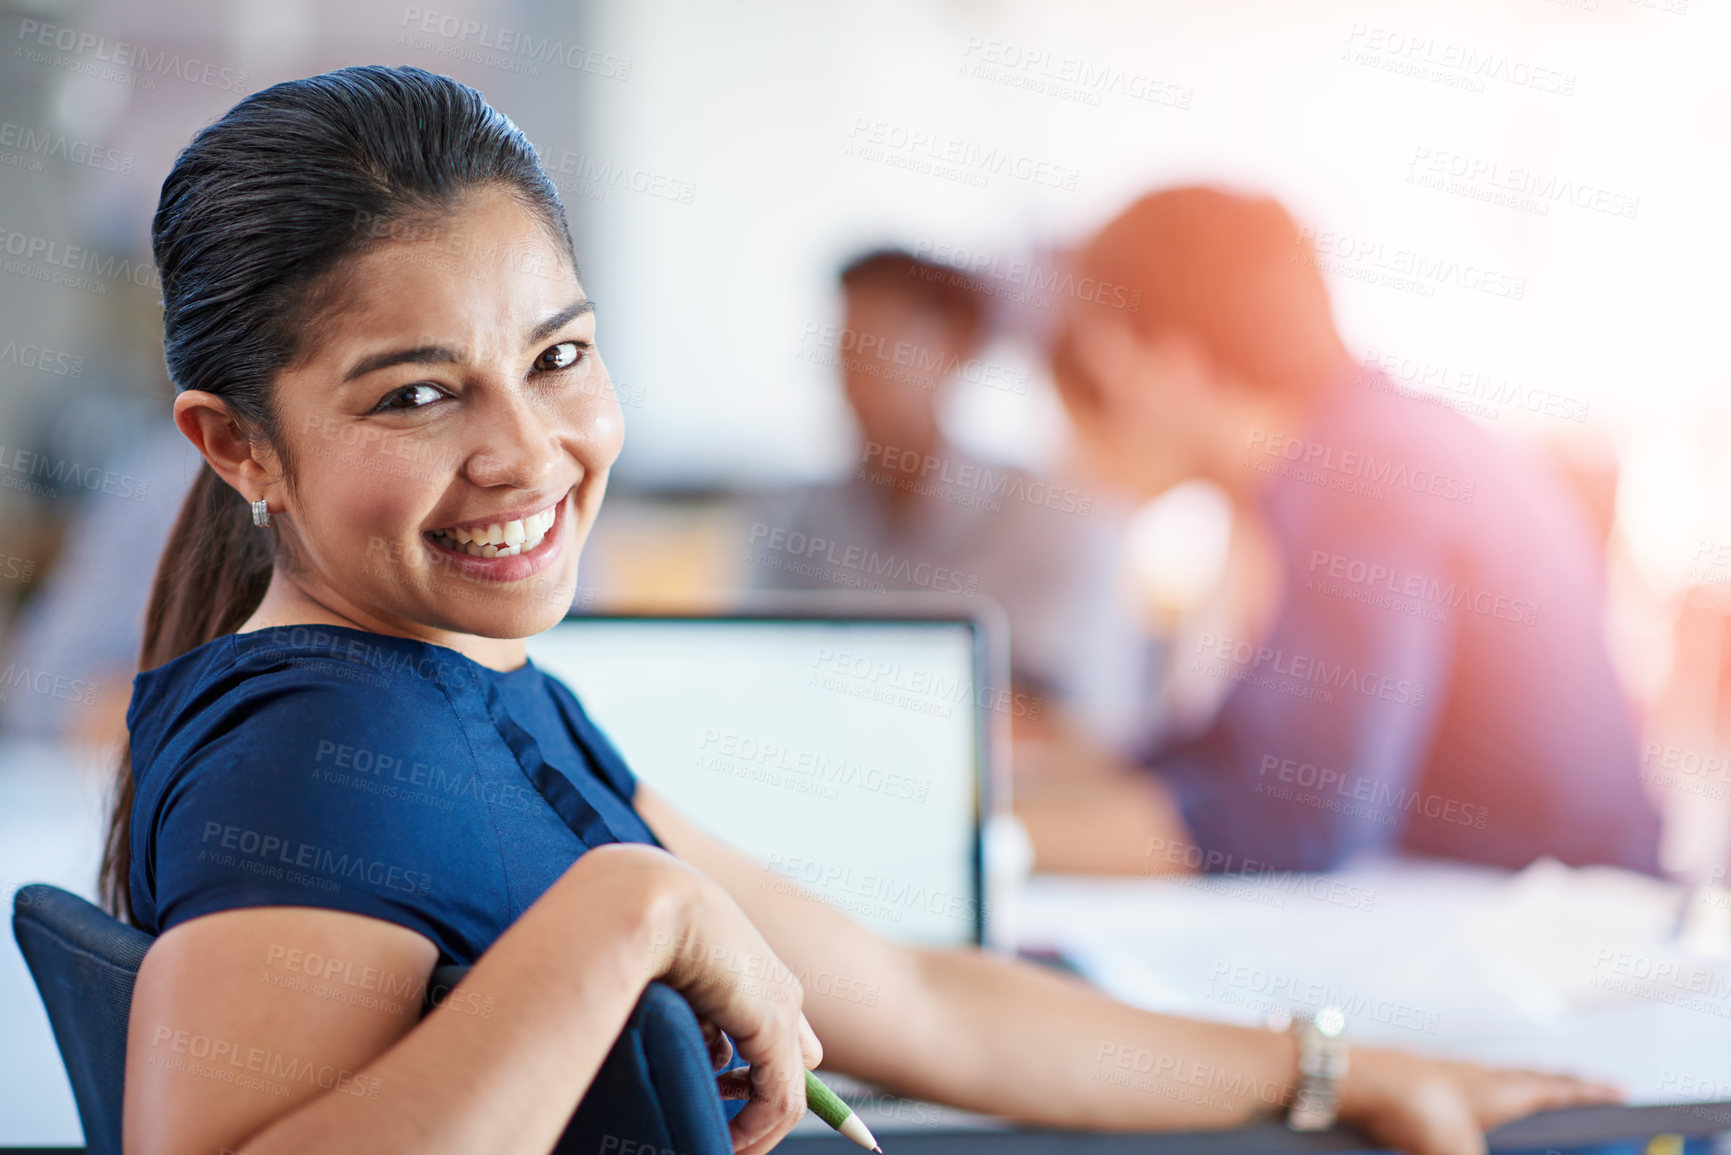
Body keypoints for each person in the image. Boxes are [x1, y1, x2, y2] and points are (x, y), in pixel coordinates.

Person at [108, 68, 1622, 1155]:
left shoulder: (472, 695)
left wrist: (1327, 1070)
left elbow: (911, 999)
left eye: (557, 358)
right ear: (236, 444)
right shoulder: (320, 757)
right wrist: (627, 913)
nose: (525, 450)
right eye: (421, 393)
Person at [1018, 186, 1662, 877]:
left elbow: (1290, 821)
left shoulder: (1368, 469)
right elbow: (1236, 755)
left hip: (1560, 928)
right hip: (1478, 909)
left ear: (1173, 364)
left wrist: (982, 837)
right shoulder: (1341, 457)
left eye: (1105, 360)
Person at [749, 250, 1150, 745]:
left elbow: (1082, 726)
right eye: (844, 352)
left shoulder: (1060, 523)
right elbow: (755, 685)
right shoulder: (797, 524)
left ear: (954, 351)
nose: (854, 381)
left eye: (878, 349)